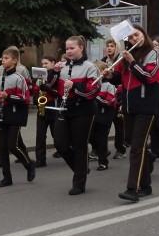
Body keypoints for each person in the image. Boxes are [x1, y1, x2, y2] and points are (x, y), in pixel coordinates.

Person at [105, 24, 159, 202]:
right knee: (132, 142)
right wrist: (109, 76)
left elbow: (149, 77)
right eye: (130, 38)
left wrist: (131, 62)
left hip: (146, 106)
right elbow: (123, 78)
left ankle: (133, 189)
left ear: (144, 34)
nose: (133, 39)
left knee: (136, 149)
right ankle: (146, 182)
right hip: (130, 106)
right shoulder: (129, 55)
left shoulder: (153, 53)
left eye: (136, 35)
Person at [52, 37, 100, 194]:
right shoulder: (63, 67)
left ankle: (79, 182)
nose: (69, 51)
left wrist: (75, 86)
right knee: (60, 144)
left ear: (81, 48)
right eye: (67, 49)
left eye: (72, 48)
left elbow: (94, 89)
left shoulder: (90, 67)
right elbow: (50, 86)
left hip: (83, 110)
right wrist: (54, 72)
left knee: (79, 145)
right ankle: (81, 169)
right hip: (64, 109)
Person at [0, 46, 34, 187]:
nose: (3, 61)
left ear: (14, 61)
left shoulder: (19, 78)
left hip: (16, 115)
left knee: (12, 146)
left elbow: (24, 98)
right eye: (2, 58)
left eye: (6, 58)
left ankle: (29, 165)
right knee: (3, 148)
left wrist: (8, 96)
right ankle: (7, 178)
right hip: (3, 115)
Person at [101, 39, 127, 159]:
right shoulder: (103, 61)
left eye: (112, 46)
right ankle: (102, 150)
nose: (109, 48)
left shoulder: (121, 60)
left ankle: (120, 149)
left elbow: (122, 77)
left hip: (119, 95)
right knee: (104, 125)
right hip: (107, 95)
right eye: (108, 46)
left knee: (118, 124)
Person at [32, 55, 59, 168]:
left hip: (53, 107)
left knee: (56, 134)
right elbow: (36, 90)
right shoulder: (40, 77)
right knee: (40, 134)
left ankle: (66, 152)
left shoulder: (57, 75)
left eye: (46, 63)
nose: (43, 66)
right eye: (42, 64)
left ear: (53, 63)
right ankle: (40, 159)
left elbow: (58, 93)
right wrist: (35, 99)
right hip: (42, 107)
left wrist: (47, 88)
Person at [89, 61, 117, 172]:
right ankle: (102, 152)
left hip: (104, 115)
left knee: (102, 139)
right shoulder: (95, 84)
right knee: (90, 136)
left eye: (97, 70)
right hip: (93, 114)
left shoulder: (109, 84)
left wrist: (96, 97)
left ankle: (103, 161)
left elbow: (110, 101)